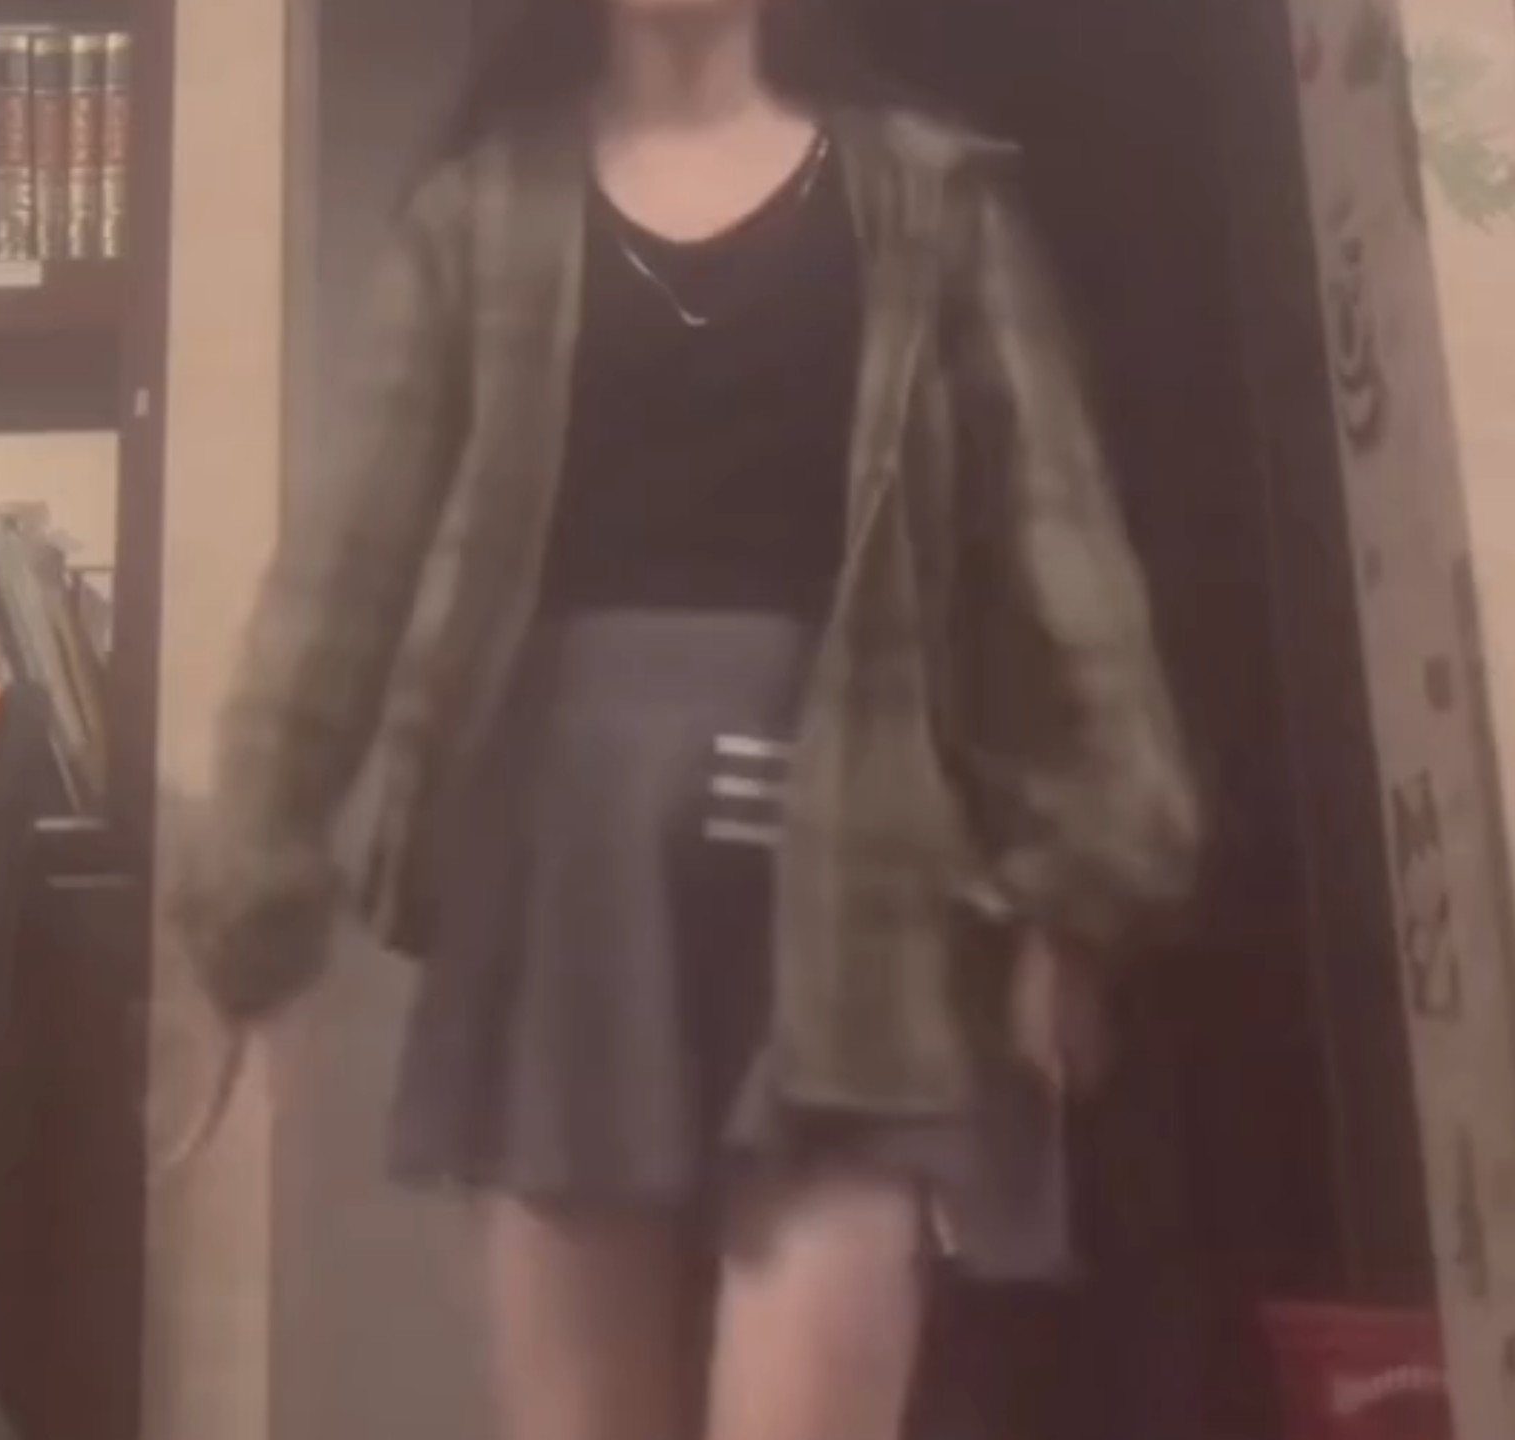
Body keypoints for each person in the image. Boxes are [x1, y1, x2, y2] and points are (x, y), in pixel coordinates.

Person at [172, 0, 1203, 1436]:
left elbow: (1056, 544)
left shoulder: (932, 202)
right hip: (573, 879)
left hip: (861, 870)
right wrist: (257, 891)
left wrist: (1086, 879)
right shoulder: (482, 216)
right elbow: (342, 576)